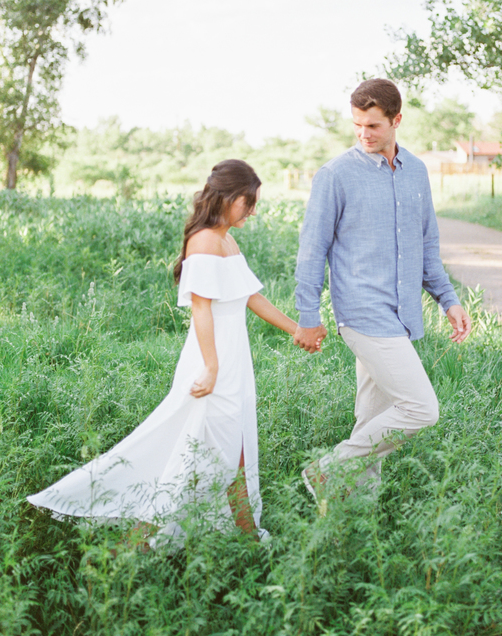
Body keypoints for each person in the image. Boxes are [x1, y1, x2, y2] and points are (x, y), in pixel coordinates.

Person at [28, 159, 300, 546]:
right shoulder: (205, 240)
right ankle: (135, 545)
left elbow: (250, 295)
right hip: (212, 362)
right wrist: (210, 367)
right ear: (227, 197)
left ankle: (248, 535)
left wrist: (296, 329)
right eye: (248, 202)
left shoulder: (226, 238)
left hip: (233, 361)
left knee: (235, 452)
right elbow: (201, 309)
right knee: (196, 461)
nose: (253, 210)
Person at [294, 78, 471, 499]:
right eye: (357, 125)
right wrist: (308, 316)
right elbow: (311, 250)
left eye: (373, 125)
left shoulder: (417, 172)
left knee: (371, 420)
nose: (363, 134)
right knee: (421, 409)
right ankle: (325, 470)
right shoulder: (335, 175)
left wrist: (448, 299)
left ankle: (354, 512)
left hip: (402, 313)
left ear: (397, 120)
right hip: (362, 313)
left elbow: (427, 244)